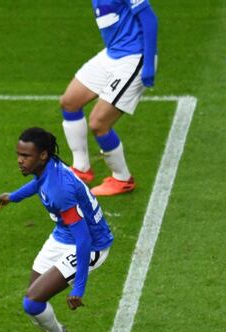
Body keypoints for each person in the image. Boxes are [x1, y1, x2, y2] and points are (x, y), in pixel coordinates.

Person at [0, 128, 114, 332]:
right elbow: (39, 184)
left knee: (32, 302)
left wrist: (79, 288)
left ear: (43, 155)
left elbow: (84, 240)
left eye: (26, 156)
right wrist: (13, 196)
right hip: (62, 235)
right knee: (34, 303)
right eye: (19, 154)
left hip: (90, 246)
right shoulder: (48, 170)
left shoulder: (60, 189)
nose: (20, 160)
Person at [59, 0, 158, 196]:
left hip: (134, 58)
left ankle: (122, 178)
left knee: (99, 123)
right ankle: (81, 168)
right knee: (70, 102)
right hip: (112, 55)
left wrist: (148, 63)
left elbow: (149, 19)